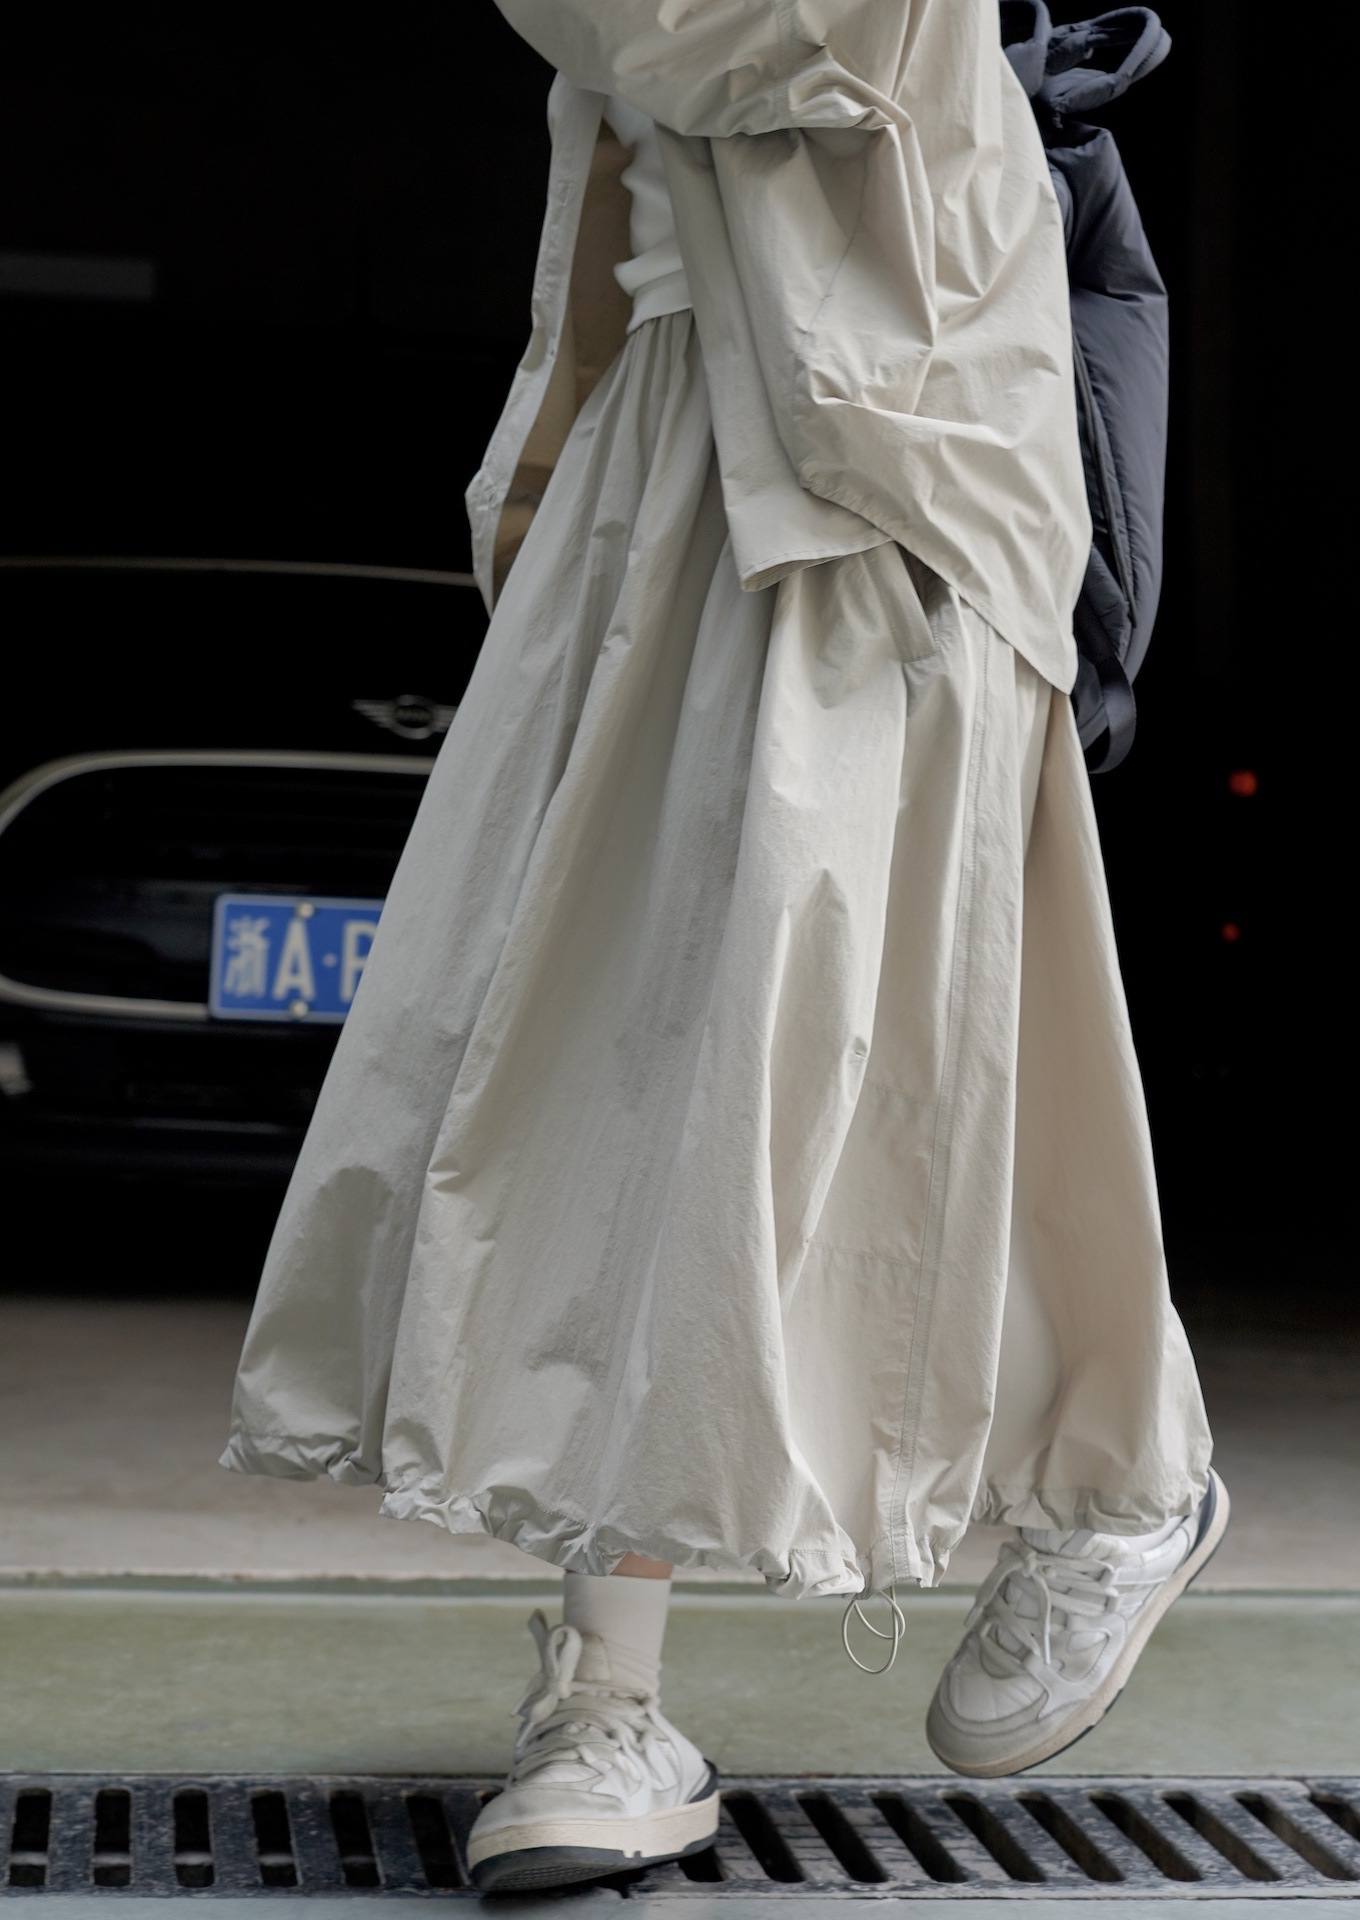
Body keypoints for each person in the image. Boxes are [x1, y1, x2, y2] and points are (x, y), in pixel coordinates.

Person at [223, 0, 1224, 1893]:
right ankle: (629, 1684)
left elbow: (707, 32)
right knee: (641, 1059)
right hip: (670, 447)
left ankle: (1103, 1483)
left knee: (848, 1052)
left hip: (884, 471)